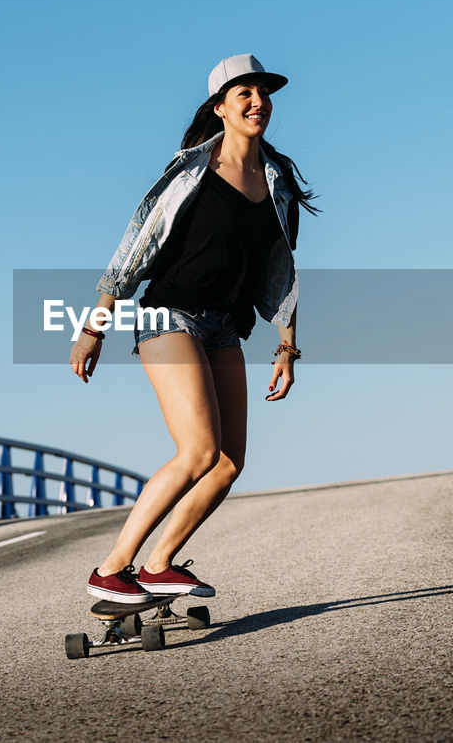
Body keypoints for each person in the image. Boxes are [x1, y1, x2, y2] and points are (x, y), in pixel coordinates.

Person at [69, 53, 318, 603]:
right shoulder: (190, 172)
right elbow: (136, 248)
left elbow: (282, 269)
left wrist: (287, 346)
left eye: (263, 93)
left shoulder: (277, 183)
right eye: (244, 94)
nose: (258, 102)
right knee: (199, 452)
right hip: (168, 314)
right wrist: (95, 326)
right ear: (220, 108)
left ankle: (158, 565)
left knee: (229, 463)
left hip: (225, 325)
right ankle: (112, 568)